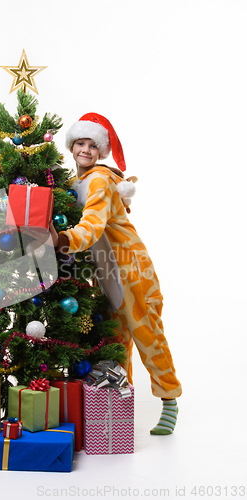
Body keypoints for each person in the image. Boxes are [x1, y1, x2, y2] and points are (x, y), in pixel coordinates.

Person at [47, 113, 182, 435]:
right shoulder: (75, 182)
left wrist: (62, 240)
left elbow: (92, 224)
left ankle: (169, 399)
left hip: (131, 270)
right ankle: (120, 406)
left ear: (101, 151)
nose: (86, 150)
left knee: (147, 334)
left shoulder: (99, 179)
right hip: (105, 273)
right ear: (71, 145)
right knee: (115, 341)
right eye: (81, 142)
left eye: (94, 145)